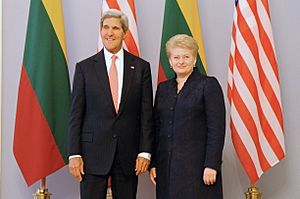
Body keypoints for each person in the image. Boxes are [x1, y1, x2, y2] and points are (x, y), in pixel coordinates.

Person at [68, 9, 153, 199]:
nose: (110, 33)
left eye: (115, 28)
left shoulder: (141, 67)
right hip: (92, 155)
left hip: (128, 154)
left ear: (125, 33)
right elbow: (75, 114)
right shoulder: (84, 68)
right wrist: (74, 154)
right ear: (100, 31)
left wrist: (145, 152)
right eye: (105, 28)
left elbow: (146, 114)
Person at [149, 34, 225, 199]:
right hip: (166, 168)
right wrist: (153, 163)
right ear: (170, 61)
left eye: (186, 57)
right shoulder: (163, 89)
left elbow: (216, 129)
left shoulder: (208, 85)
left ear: (194, 59)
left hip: (198, 168)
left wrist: (212, 165)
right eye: (176, 57)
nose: (181, 61)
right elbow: (156, 128)